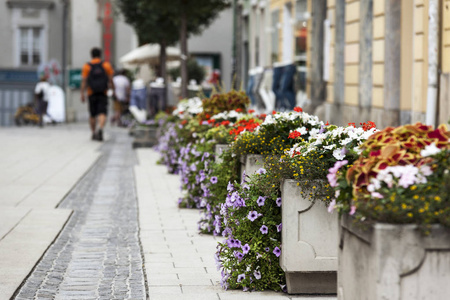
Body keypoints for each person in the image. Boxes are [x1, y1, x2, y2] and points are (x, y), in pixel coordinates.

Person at [80, 47, 115, 141]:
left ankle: (93, 132)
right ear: (100, 54)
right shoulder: (106, 65)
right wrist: (113, 89)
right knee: (102, 112)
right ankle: (101, 128)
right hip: (103, 92)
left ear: (91, 55)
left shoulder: (87, 66)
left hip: (91, 92)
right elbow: (111, 79)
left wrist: (82, 94)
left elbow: (84, 81)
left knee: (92, 114)